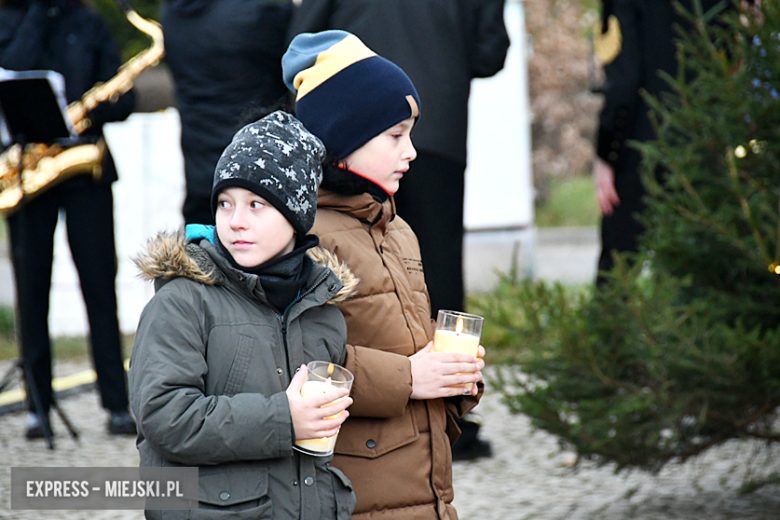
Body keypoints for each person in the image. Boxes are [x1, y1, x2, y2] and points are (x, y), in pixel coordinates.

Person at [287, 0, 508, 461]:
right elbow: (491, 53)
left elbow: (300, 33)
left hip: (346, 135)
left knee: (349, 266)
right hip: (440, 125)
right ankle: (446, 409)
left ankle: (390, 402)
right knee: (436, 270)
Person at [128, 111, 358, 519]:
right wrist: (283, 419)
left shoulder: (322, 310)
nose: (235, 222)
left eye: (257, 205)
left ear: (296, 217)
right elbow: (164, 416)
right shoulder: (182, 301)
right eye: (225, 203)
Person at [0, 0, 136, 438]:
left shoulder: (90, 23)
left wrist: (86, 111)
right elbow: (13, 68)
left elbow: (125, 98)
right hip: (30, 171)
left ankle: (117, 404)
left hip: (84, 169)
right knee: (31, 287)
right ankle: (39, 405)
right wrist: (37, 14)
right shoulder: (11, 20)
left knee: (99, 285)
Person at [593, 0, 726, 285]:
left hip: (639, 146)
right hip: (711, 147)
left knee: (618, 277)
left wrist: (607, 153)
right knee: (704, 277)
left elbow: (623, 79)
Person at [160, 0, 294, 226]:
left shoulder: (172, 13)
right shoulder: (259, 11)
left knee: (200, 255)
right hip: (260, 174)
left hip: (200, 175)